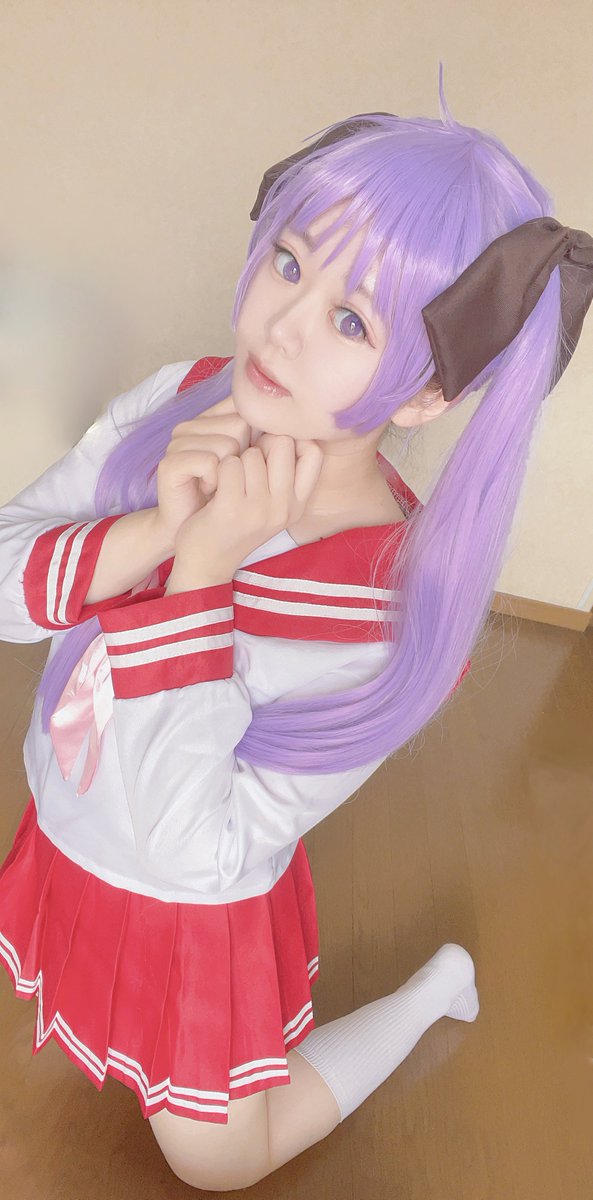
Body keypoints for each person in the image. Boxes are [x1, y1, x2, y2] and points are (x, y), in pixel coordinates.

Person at [0, 69, 591, 1191]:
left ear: (425, 395)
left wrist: (203, 573)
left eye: (349, 318)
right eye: (287, 260)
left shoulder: (382, 616)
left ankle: (432, 992)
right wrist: (149, 531)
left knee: (218, 1164)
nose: (278, 326)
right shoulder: (179, 397)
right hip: (72, 829)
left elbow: (194, 847)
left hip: (188, 910)